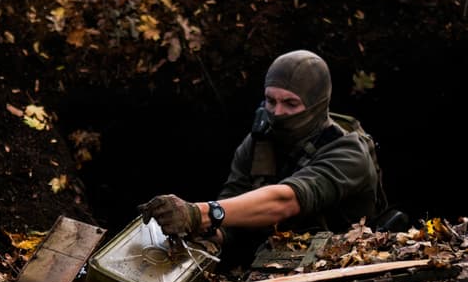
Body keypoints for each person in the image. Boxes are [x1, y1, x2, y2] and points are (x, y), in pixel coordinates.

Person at [140, 50, 381, 259]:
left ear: (317, 104)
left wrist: (200, 213)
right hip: (272, 263)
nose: (277, 112)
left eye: (290, 103)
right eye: (270, 100)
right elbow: (233, 209)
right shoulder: (260, 140)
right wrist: (207, 234)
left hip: (341, 264)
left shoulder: (349, 152)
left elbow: (286, 200)